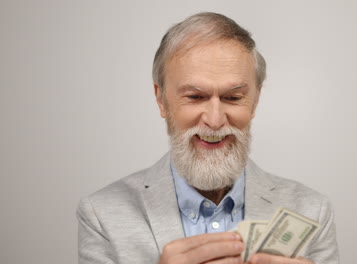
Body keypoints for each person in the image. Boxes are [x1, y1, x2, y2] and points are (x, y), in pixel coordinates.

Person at [77, 12, 339, 264]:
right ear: (161, 100)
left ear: (255, 100)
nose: (214, 121)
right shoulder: (101, 214)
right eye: (195, 97)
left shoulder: (311, 209)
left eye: (233, 98)